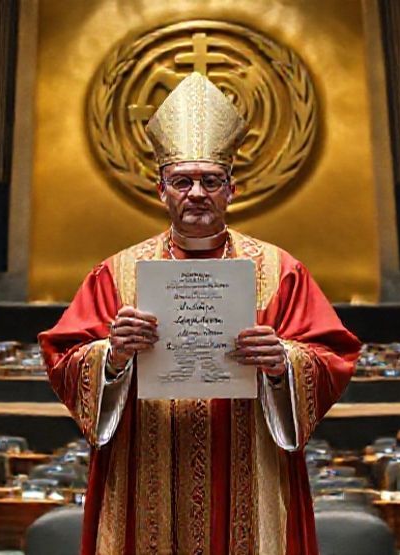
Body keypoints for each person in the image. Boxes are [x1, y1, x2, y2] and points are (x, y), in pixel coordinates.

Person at [38, 73, 360, 555]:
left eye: (210, 181)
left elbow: (331, 354)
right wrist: (113, 354)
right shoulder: (116, 273)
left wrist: (282, 363)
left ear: (231, 189)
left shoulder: (280, 270)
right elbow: (65, 356)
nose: (196, 193)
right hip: (143, 461)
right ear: (160, 189)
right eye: (182, 181)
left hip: (251, 463)